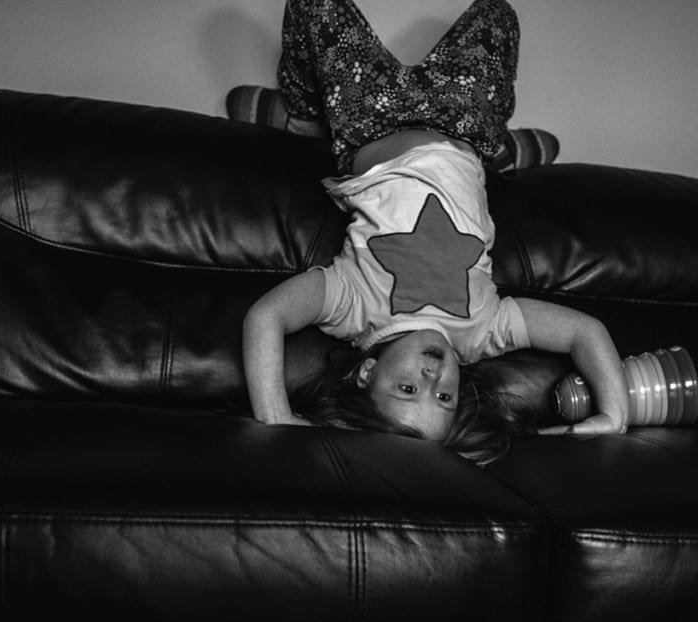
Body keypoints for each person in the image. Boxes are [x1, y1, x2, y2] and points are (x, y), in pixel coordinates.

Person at [243, 0, 628, 465]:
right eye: (445, 398)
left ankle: (302, 119)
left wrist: (276, 421)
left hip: (370, 120)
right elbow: (584, 332)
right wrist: (614, 415)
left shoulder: (353, 305)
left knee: (314, 5)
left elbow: (266, 318)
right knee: (497, 14)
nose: (433, 378)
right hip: (461, 126)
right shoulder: (481, 332)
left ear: (367, 373)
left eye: (408, 389)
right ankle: (496, 148)